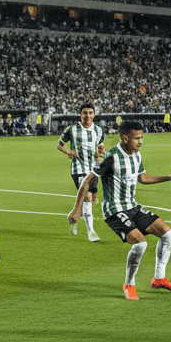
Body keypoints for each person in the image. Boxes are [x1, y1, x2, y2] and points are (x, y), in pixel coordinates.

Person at [68, 120, 171, 300]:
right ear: (124, 138)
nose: (141, 142)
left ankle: (159, 278)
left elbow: (143, 178)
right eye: (137, 138)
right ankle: (129, 284)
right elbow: (87, 181)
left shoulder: (137, 155)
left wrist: (169, 177)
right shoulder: (110, 156)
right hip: (114, 211)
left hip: (133, 207)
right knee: (140, 243)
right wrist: (77, 210)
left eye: (142, 137)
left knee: (168, 234)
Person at [57, 103, 105, 241]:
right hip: (78, 168)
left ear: (94, 115)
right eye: (85, 113)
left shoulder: (98, 130)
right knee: (87, 199)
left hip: (93, 169)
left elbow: (100, 146)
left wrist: (100, 155)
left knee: (92, 198)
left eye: (90, 113)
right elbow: (59, 144)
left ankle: (73, 217)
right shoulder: (71, 129)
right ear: (80, 114)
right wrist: (68, 152)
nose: (88, 115)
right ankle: (91, 232)